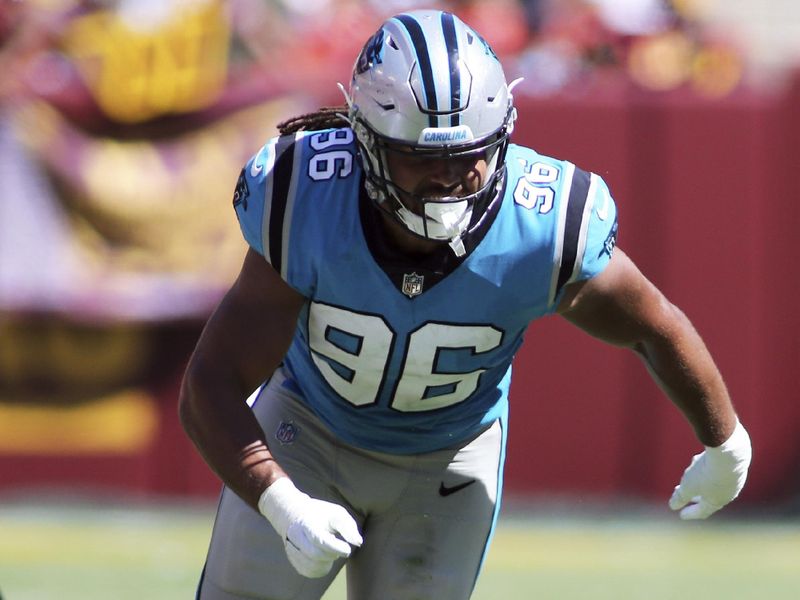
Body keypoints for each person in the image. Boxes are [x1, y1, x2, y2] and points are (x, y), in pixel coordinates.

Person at [179, 9, 752, 600]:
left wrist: (726, 442)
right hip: (308, 432)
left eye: (468, 156)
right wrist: (281, 502)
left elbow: (653, 327)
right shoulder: (305, 199)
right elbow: (212, 383)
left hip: (447, 461)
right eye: (421, 158)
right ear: (367, 143)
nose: (450, 179)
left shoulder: (545, 225)